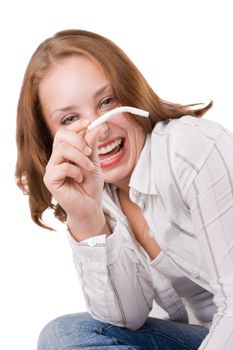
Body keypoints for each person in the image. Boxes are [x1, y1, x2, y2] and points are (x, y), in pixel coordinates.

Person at [15, 29, 233, 350]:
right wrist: (88, 218)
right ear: (51, 139)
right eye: (71, 118)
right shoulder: (98, 193)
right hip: (203, 339)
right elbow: (127, 319)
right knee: (62, 335)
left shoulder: (192, 148)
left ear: (131, 95)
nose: (99, 128)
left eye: (107, 101)